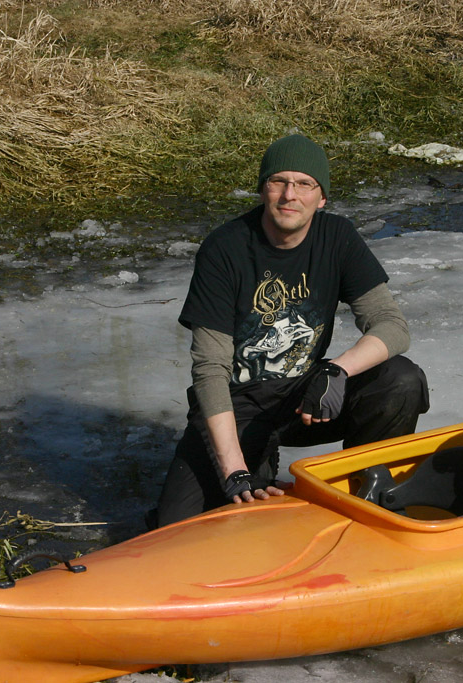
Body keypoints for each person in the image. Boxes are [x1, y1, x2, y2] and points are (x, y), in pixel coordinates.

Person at [153, 134, 429, 527]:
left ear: (322, 197)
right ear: (262, 189)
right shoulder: (225, 249)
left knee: (400, 380)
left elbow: (392, 325)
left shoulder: (337, 238)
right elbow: (210, 368)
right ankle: (254, 464)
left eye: (304, 184)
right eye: (278, 181)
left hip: (307, 397)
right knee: (179, 528)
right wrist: (234, 469)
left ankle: (370, 494)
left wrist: (337, 370)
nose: (289, 195)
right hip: (237, 404)